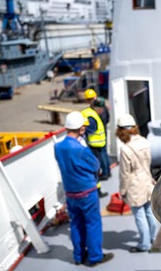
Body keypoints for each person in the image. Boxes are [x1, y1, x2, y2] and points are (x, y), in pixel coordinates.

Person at [54, 111, 114, 266]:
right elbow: (95, 165)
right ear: (81, 129)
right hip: (87, 192)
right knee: (92, 223)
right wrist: (83, 146)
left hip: (70, 193)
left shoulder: (58, 147)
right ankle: (95, 257)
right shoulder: (81, 149)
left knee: (75, 223)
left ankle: (78, 256)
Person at [116, 113, 159, 253]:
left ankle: (144, 245)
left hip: (135, 186)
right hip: (147, 181)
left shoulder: (125, 149)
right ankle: (153, 237)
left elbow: (125, 174)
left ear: (121, 131)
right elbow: (149, 163)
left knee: (140, 216)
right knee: (149, 212)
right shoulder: (145, 141)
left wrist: (122, 191)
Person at [82, 96, 111, 181]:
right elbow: (107, 119)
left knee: (100, 158)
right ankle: (107, 171)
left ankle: (105, 173)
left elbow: (91, 129)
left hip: (96, 142)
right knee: (104, 155)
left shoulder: (92, 115)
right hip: (100, 138)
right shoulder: (99, 112)